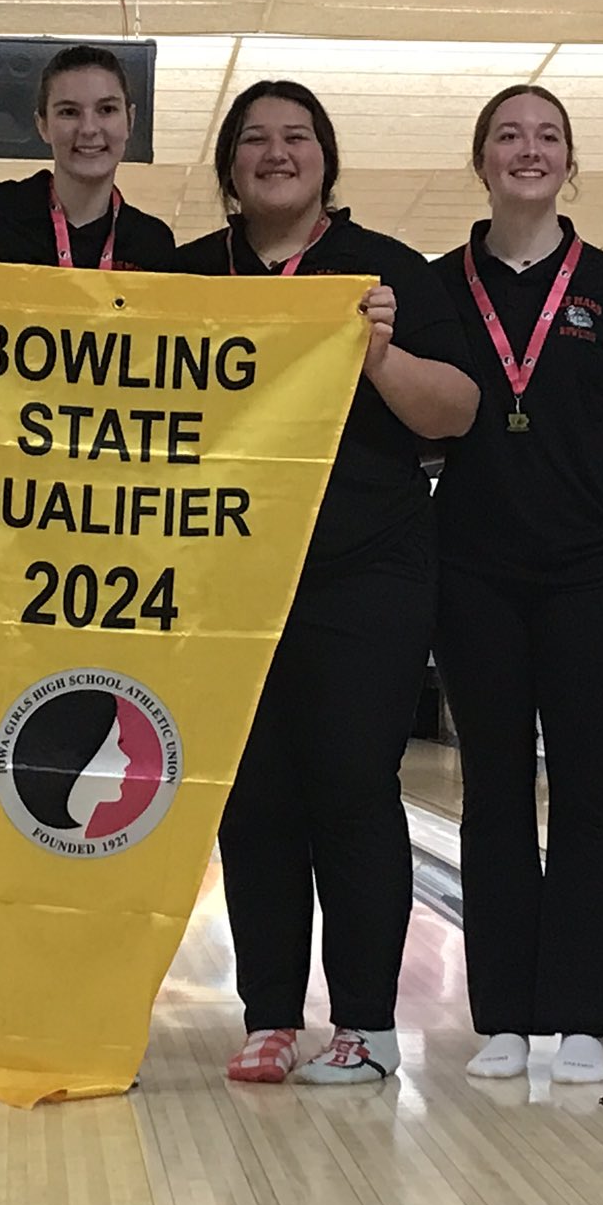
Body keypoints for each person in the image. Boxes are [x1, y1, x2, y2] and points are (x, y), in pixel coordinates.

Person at [171, 80, 478, 1085]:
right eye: (253, 139)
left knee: (350, 787)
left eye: (295, 137)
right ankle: (267, 1013)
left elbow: (456, 414)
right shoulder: (185, 276)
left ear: (324, 157)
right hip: (226, 573)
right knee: (252, 797)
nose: (274, 152)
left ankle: (363, 1024)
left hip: (363, 572)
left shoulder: (386, 271)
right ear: (228, 167)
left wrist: (379, 353)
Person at [429, 85, 603, 1086]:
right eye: (507, 136)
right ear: (480, 160)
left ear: (569, 162)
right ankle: (504, 1016)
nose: (528, 151)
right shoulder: (433, 289)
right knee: (494, 794)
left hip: (595, 569)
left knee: (590, 792)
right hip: (472, 568)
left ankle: (583, 1018)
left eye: (546, 137)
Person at [0, 44, 175, 271]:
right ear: (43, 126)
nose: (89, 129)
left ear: (130, 120)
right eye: (69, 112)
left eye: (106, 109)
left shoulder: (152, 244)